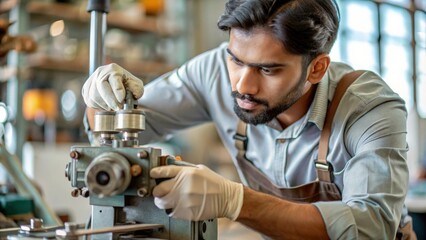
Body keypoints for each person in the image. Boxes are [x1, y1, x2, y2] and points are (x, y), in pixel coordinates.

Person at [82, 0, 415, 239]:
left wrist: (235, 200)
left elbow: (370, 229)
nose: (242, 85)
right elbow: (114, 127)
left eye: (267, 69)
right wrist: (101, 100)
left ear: (316, 68)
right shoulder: (213, 71)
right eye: (236, 60)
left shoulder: (369, 108)